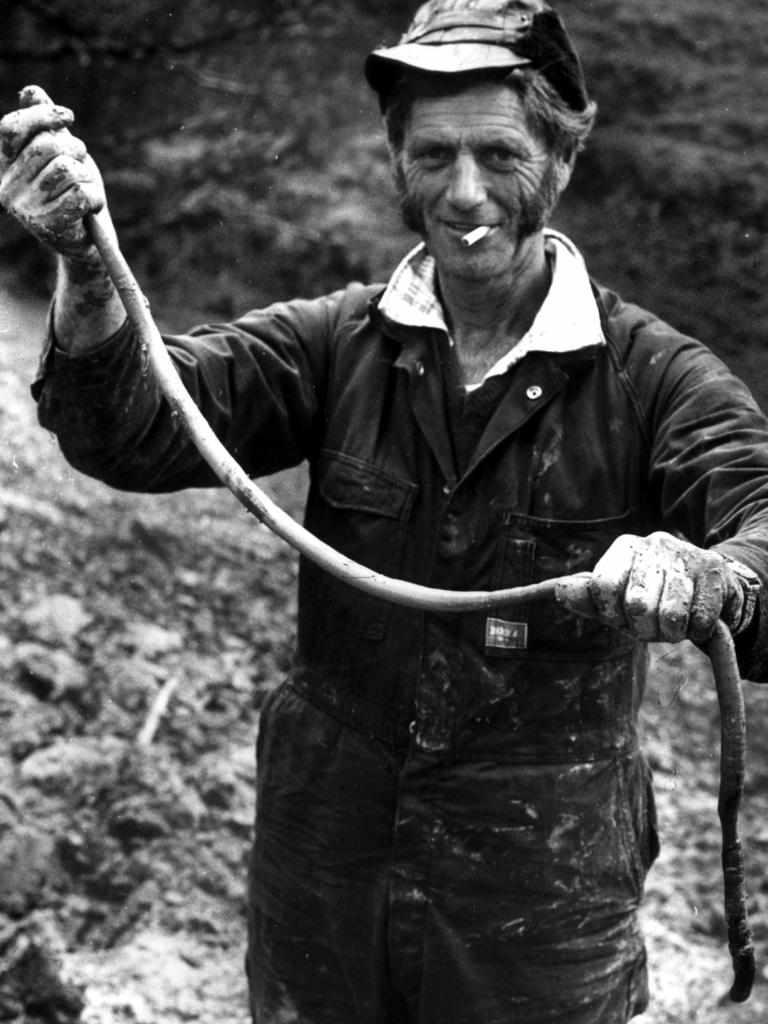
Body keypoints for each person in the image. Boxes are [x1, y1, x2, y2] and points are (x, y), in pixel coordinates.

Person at [2, 1, 768, 1021]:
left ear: (562, 157)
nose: (463, 193)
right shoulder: (335, 343)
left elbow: (757, 507)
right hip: (324, 866)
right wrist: (88, 267)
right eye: (432, 154)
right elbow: (128, 424)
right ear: (398, 161)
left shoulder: (652, 377)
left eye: (498, 152)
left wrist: (714, 572)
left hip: (539, 906)